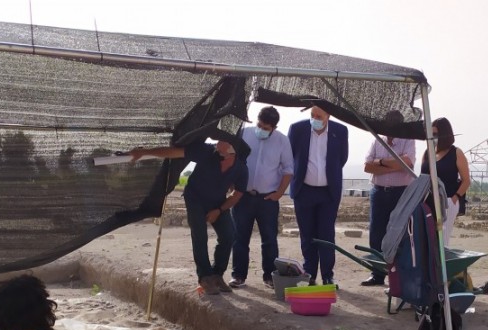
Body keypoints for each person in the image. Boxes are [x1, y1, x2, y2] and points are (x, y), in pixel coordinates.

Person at [131, 140, 248, 295]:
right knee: (199, 235)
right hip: (195, 199)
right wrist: (145, 151)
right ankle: (205, 277)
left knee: (229, 235)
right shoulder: (204, 150)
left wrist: (219, 210)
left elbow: (237, 194)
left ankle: (216, 275)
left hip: (218, 202)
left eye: (223, 140)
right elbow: (173, 152)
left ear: (232, 149)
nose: (218, 142)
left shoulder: (241, 168)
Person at [230, 107, 294, 289]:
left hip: (268, 199)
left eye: (266, 128)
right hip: (243, 196)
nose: (261, 130)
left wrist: (280, 193)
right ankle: (238, 276)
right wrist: (233, 184)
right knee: (240, 238)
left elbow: (289, 169)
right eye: (259, 125)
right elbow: (232, 159)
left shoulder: (282, 141)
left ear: (274, 127)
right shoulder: (244, 134)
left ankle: (270, 277)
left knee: (269, 239)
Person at [288, 106, 349, 285]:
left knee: (326, 234)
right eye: (312, 115)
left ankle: (328, 275)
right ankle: (309, 274)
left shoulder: (340, 130)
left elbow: (342, 159)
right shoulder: (297, 129)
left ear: (328, 115)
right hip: (303, 190)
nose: (315, 118)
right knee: (307, 234)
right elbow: (290, 156)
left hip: (328, 192)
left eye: (319, 116)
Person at [361, 110, 416, 286]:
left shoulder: (408, 140)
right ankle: (377, 274)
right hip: (378, 192)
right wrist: (393, 164)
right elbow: (367, 166)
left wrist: (381, 162)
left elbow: (407, 163)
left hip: (400, 193)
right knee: (376, 234)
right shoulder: (377, 140)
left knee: (400, 234)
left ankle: (397, 276)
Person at [420, 117, 470, 247]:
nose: (433, 137)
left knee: (442, 240)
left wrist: (455, 198)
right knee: (427, 239)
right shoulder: (427, 153)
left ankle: (442, 266)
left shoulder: (456, 153)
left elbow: (466, 180)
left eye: (435, 134)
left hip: (447, 201)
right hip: (427, 201)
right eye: (431, 134)